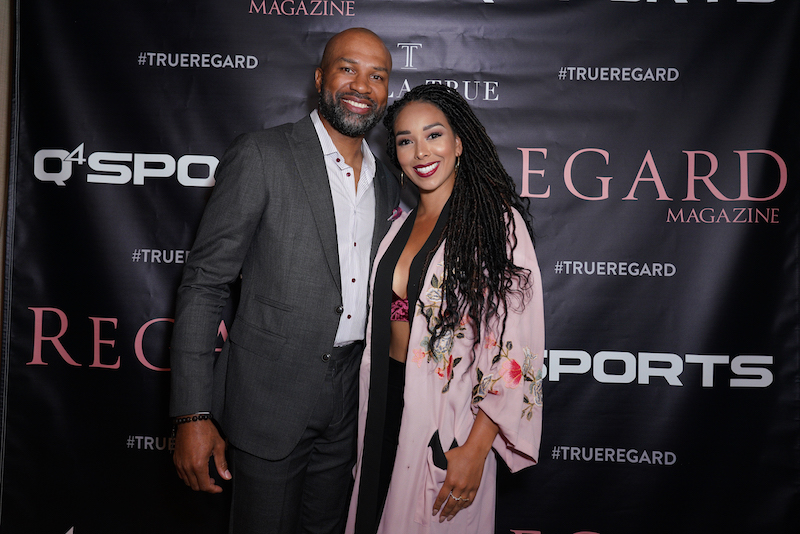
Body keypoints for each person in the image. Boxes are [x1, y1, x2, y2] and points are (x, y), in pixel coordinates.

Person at [169, 28, 399, 534]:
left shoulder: (387, 180)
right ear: (319, 78)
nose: (362, 86)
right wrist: (191, 415)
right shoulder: (262, 155)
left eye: (377, 76)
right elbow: (204, 284)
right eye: (348, 69)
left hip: (350, 401)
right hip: (268, 400)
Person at [345, 84, 545, 534]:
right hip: (384, 400)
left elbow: (515, 348)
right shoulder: (397, 227)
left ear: (459, 143)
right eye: (405, 140)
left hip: (448, 417)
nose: (420, 152)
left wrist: (476, 449)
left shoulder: (496, 225)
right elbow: (402, 311)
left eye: (433, 135)